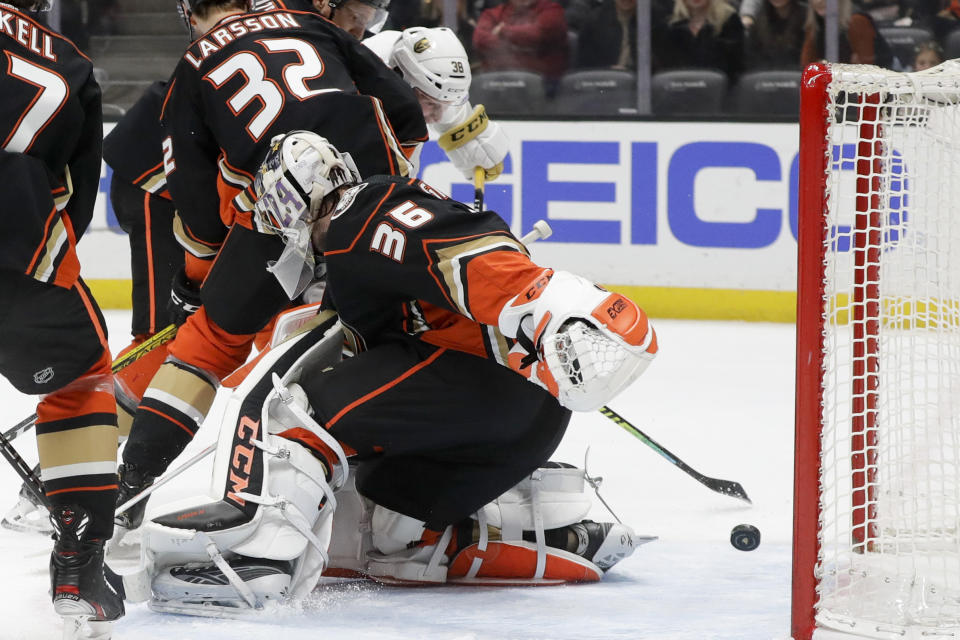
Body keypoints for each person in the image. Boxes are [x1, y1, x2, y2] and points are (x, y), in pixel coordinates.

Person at [128, 131, 657, 613]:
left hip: (489, 389)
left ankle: (262, 561)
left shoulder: (365, 212)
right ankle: (508, 528)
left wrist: (543, 304)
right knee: (391, 532)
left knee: (297, 410)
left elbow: (459, 248)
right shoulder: (352, 248)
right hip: (512, 420)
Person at [113, 0, 427, 534]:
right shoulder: (306, 22)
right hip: (374, 195)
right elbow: (404, 111)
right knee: (412, 316)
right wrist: (390, 173)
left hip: (277, 212)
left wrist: (196, 281)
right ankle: (403, 484)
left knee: (205, 344)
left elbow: (195, 202)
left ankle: (128, 488)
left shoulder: (193, 63)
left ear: (192, 12)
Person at [0, 0, 124, 636]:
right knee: (78, 384)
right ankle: (79, 565)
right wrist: (43, 263)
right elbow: (76, 187)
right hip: (19, 244)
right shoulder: (67, 59)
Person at [364, 26, 511, 181]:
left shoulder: (426, 82)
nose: (438, 117)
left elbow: (453, 116)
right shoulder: (358, 80)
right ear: (401, 82)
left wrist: (478, 149)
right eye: (431, 104)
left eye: (447, 104)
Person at [472, 0, 570, 84]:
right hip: (498, 84)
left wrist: (503, 31)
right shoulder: (491, 14)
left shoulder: (553, 10)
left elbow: (540, 33)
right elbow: (480, 40)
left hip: (544, 86)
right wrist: (519, 45)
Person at [652, 0, 745, 80]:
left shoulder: (729, 21)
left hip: (720, 95)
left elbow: (736, 68)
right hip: (678, 93)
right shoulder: (669, 25)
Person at [800, 0, 890, 67]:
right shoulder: (814, 24)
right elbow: (806, 64)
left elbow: (865, 67)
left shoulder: (857, 21)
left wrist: (824, 65)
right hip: (833, 83)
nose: (818, 1)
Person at [573, 0, 639, 70]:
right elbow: (584, 65)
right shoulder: (594, 22)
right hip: (603, 77)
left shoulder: (650, 21)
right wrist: (607, 70)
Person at [743, 0, 806, 70]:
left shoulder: (805, 17)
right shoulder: (759, 18)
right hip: (764, 75)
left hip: (797, 74)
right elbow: (752, 57)